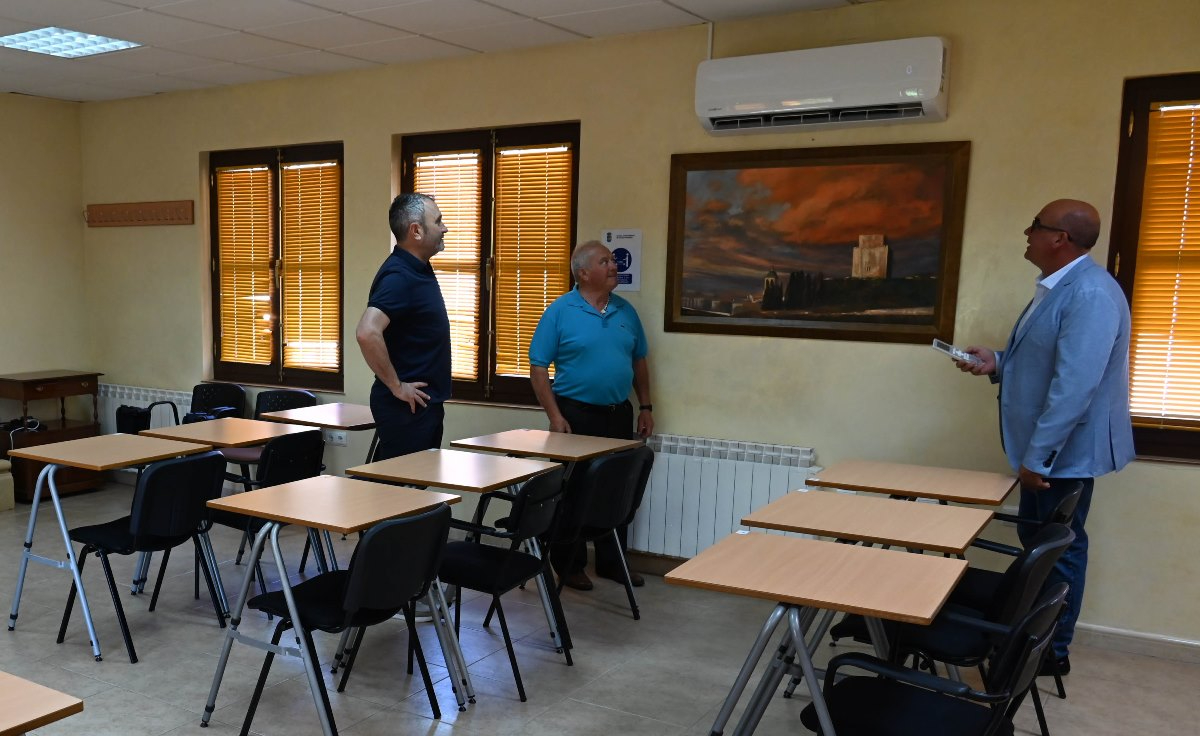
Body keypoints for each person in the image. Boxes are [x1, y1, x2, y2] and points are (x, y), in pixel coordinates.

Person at [956, 199, 1135, 676]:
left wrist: (1040, 457)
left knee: (1056, 551)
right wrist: (998, 360)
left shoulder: (1090, 294)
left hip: (1063, 455)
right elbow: (1050, 361)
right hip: (1053, 453)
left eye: (1035, 225)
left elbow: (1076, 385)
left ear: (1060, 238)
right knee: (1041, 545)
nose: (1027, 232)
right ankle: (1030, 639)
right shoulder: (1059, 287)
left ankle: (1049, 652)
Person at [529, 240, 654, 591]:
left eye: (613, 260)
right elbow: (538, 368)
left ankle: (613, 561)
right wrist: (554, 416)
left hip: (618, 415)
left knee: (617, 489)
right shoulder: (560, 311)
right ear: (583, 272)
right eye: (605, 261)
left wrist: (645, 406)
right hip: (574, 415)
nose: (614, 266)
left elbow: (639, 361)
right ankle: (569, 564)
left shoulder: (626, 312)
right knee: (574, 491)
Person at [355, 193, 451, 462]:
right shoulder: (400, 275)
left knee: (413, 494)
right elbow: (366, 332)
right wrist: (397, 386)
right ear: (416, 231)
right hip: (406, 407)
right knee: (400, 497)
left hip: (421, 406)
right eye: (438, 221)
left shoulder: (417, 268)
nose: (445, 228)